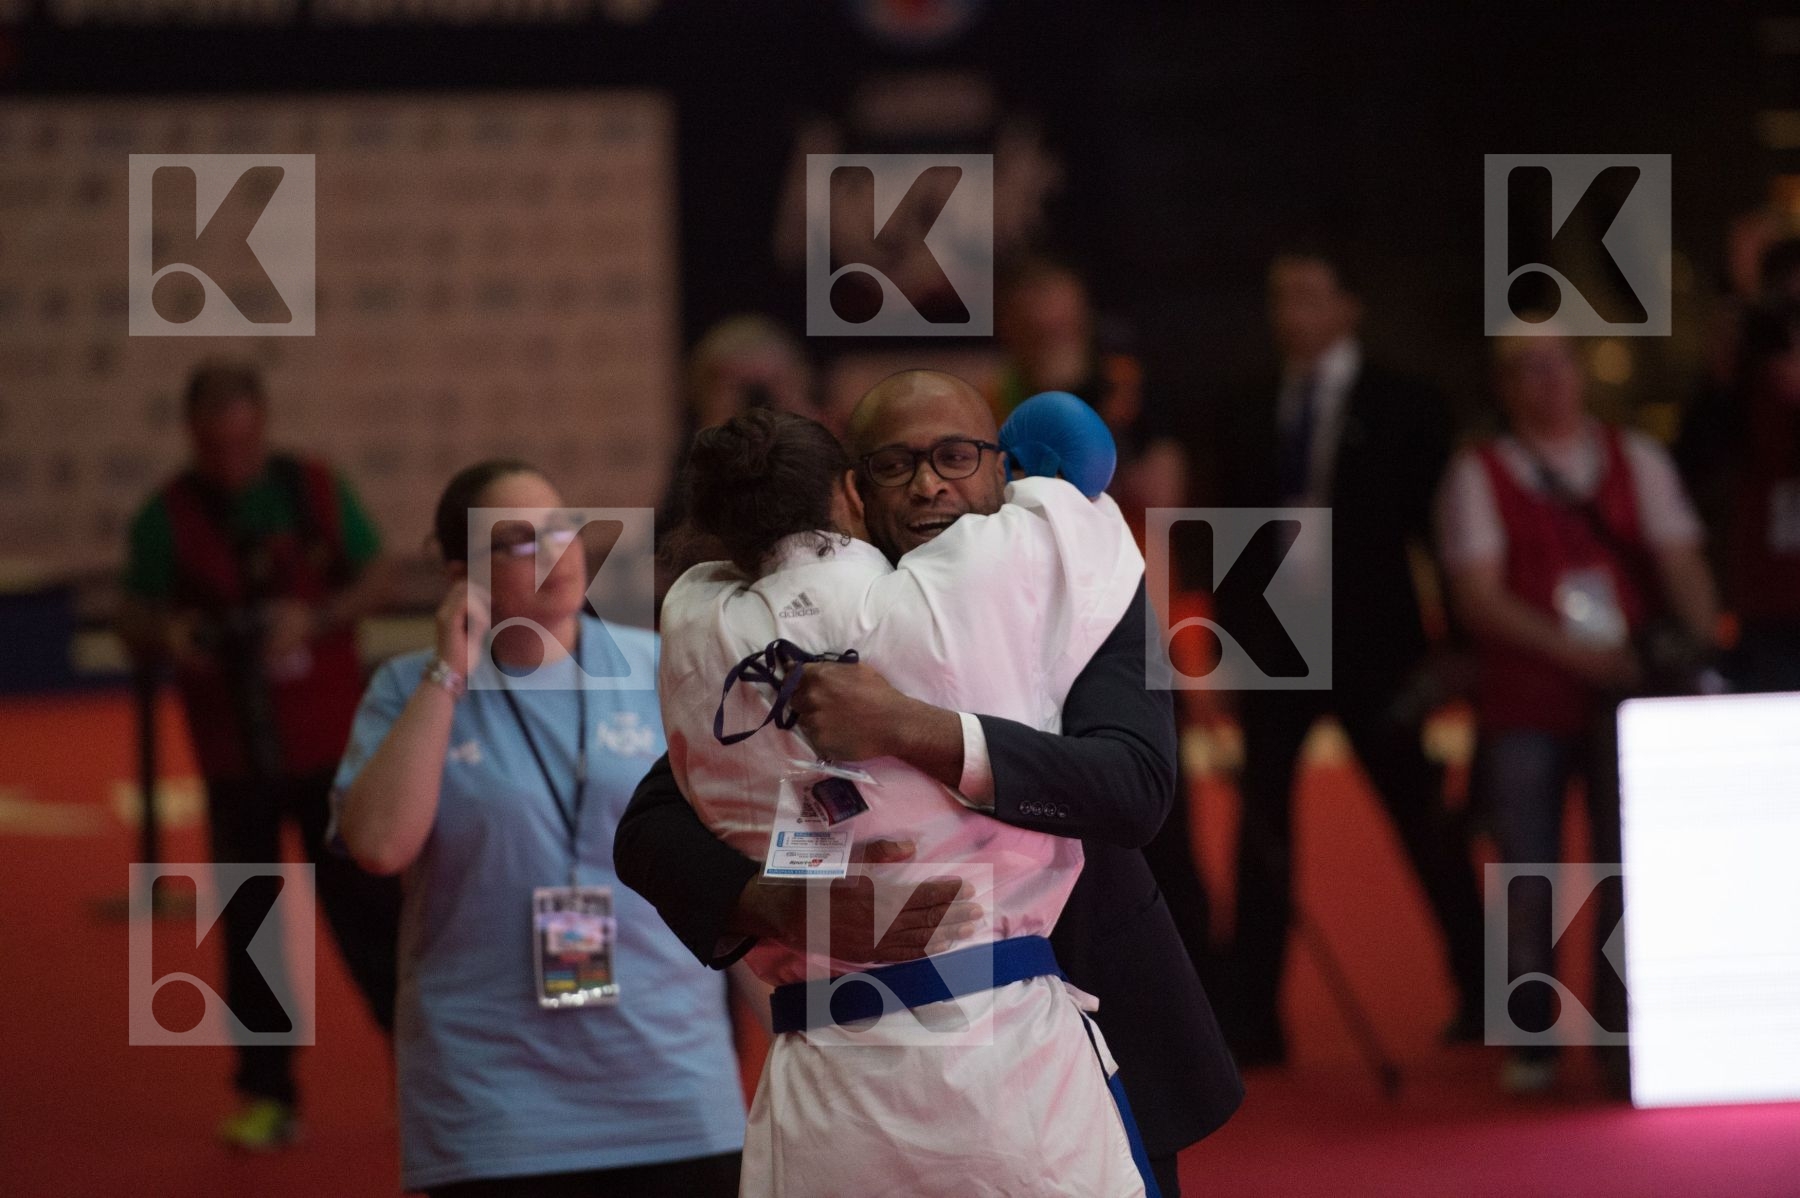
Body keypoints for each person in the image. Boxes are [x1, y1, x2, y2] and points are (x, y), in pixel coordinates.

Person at [618, 372, 1241, 1198]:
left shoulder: (1065, 583)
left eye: (955, 456)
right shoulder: (813, 621)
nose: (929, 485)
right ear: (852, 492)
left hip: (1093, 1014)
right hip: (862, 1058)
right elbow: (651, 827)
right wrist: (779, 905)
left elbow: (1133, 786)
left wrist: (916, 729)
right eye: (894, 465)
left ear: (1003, 468)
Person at [334, 460, 744, 1197]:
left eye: (561, 528)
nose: (554, 552)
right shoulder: (408, 688)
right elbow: (378, 846)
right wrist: (447, 673)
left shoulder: (662, 667)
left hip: (672, 1087)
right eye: (518, 541)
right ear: (462, 572)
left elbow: (734, 859)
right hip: (494, 1104)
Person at [118, 360, 402, 1150]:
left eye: (246, 442)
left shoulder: (311, 488)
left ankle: (423, 1075)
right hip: (233, 755)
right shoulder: (166, 517)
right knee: (250, 926)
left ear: (264, 423)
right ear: (194, 435)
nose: (234, 459)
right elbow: (131, 614)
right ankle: (267, 1092)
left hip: (330, 749)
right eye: (218, 447)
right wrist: (174, 634)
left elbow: (378, 574)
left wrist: (314, 619)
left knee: (375, 917)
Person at [1213, 248, 1486, 1065]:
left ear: (1349, 307)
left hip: (1378, 643)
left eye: (1307, 294)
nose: (1289, 311)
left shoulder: (1406, 401)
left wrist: (1453, 651)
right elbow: (1225, 538)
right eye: (1279, 295)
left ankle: (1484, 987)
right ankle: (1253, 1019)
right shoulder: (1250, 404)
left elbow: (1442, 533)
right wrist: (1224, 652)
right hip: (1272, 641)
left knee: (1422, 819)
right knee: (1260, 831)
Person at [1436, 329, 1719, 1095]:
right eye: (1526, 369)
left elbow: (1680, 557)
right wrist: (1578, 653)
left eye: (1556, 363)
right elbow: (1479, 596)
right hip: (1529, 700)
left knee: (1627, 866)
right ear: (1504, 384)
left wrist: (1702, 651)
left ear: (1580, 372)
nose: (1545, 382)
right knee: (1529, 867)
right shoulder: (1480, 472)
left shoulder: (1637, 460)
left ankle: (1622, 1026)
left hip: (1629, 697)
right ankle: (1533, 1026)